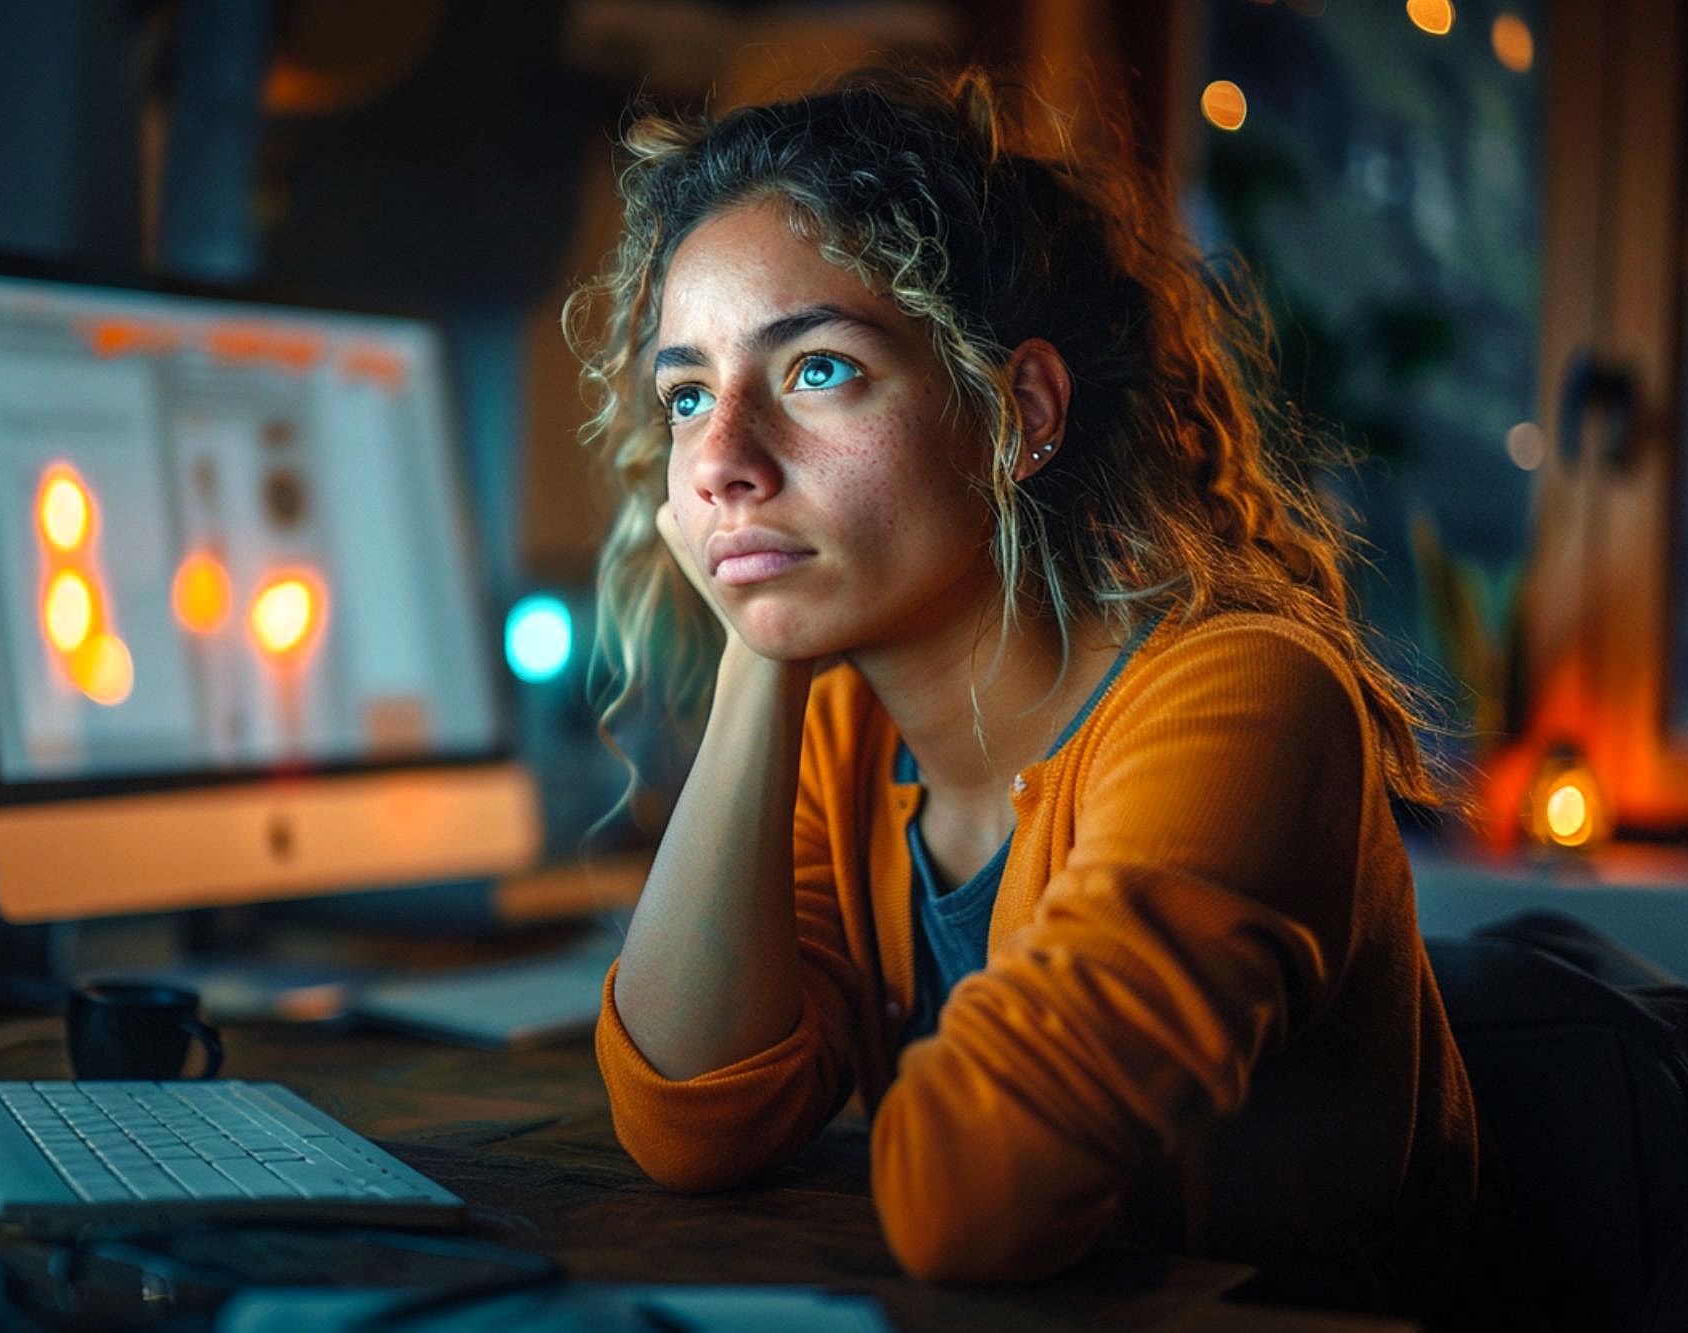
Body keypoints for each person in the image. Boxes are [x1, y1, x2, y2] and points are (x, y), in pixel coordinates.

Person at [567, 66, 1508, 1320]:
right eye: (688, 394)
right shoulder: (844, 723)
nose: (722, 459)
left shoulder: (1243, 700)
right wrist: (760, 644)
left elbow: (971, 1199)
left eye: (818, 370)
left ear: (1016, 414)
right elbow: (691, 1120)